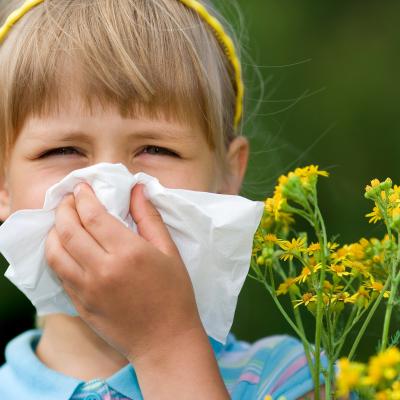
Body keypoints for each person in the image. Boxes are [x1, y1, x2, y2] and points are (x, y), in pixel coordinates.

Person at [0, 0, 320, 399]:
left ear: (226, 178)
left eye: (156, 149)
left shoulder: (296, 380)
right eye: (62, 151)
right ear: (3, 184)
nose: (108, 194)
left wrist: (166, 345)